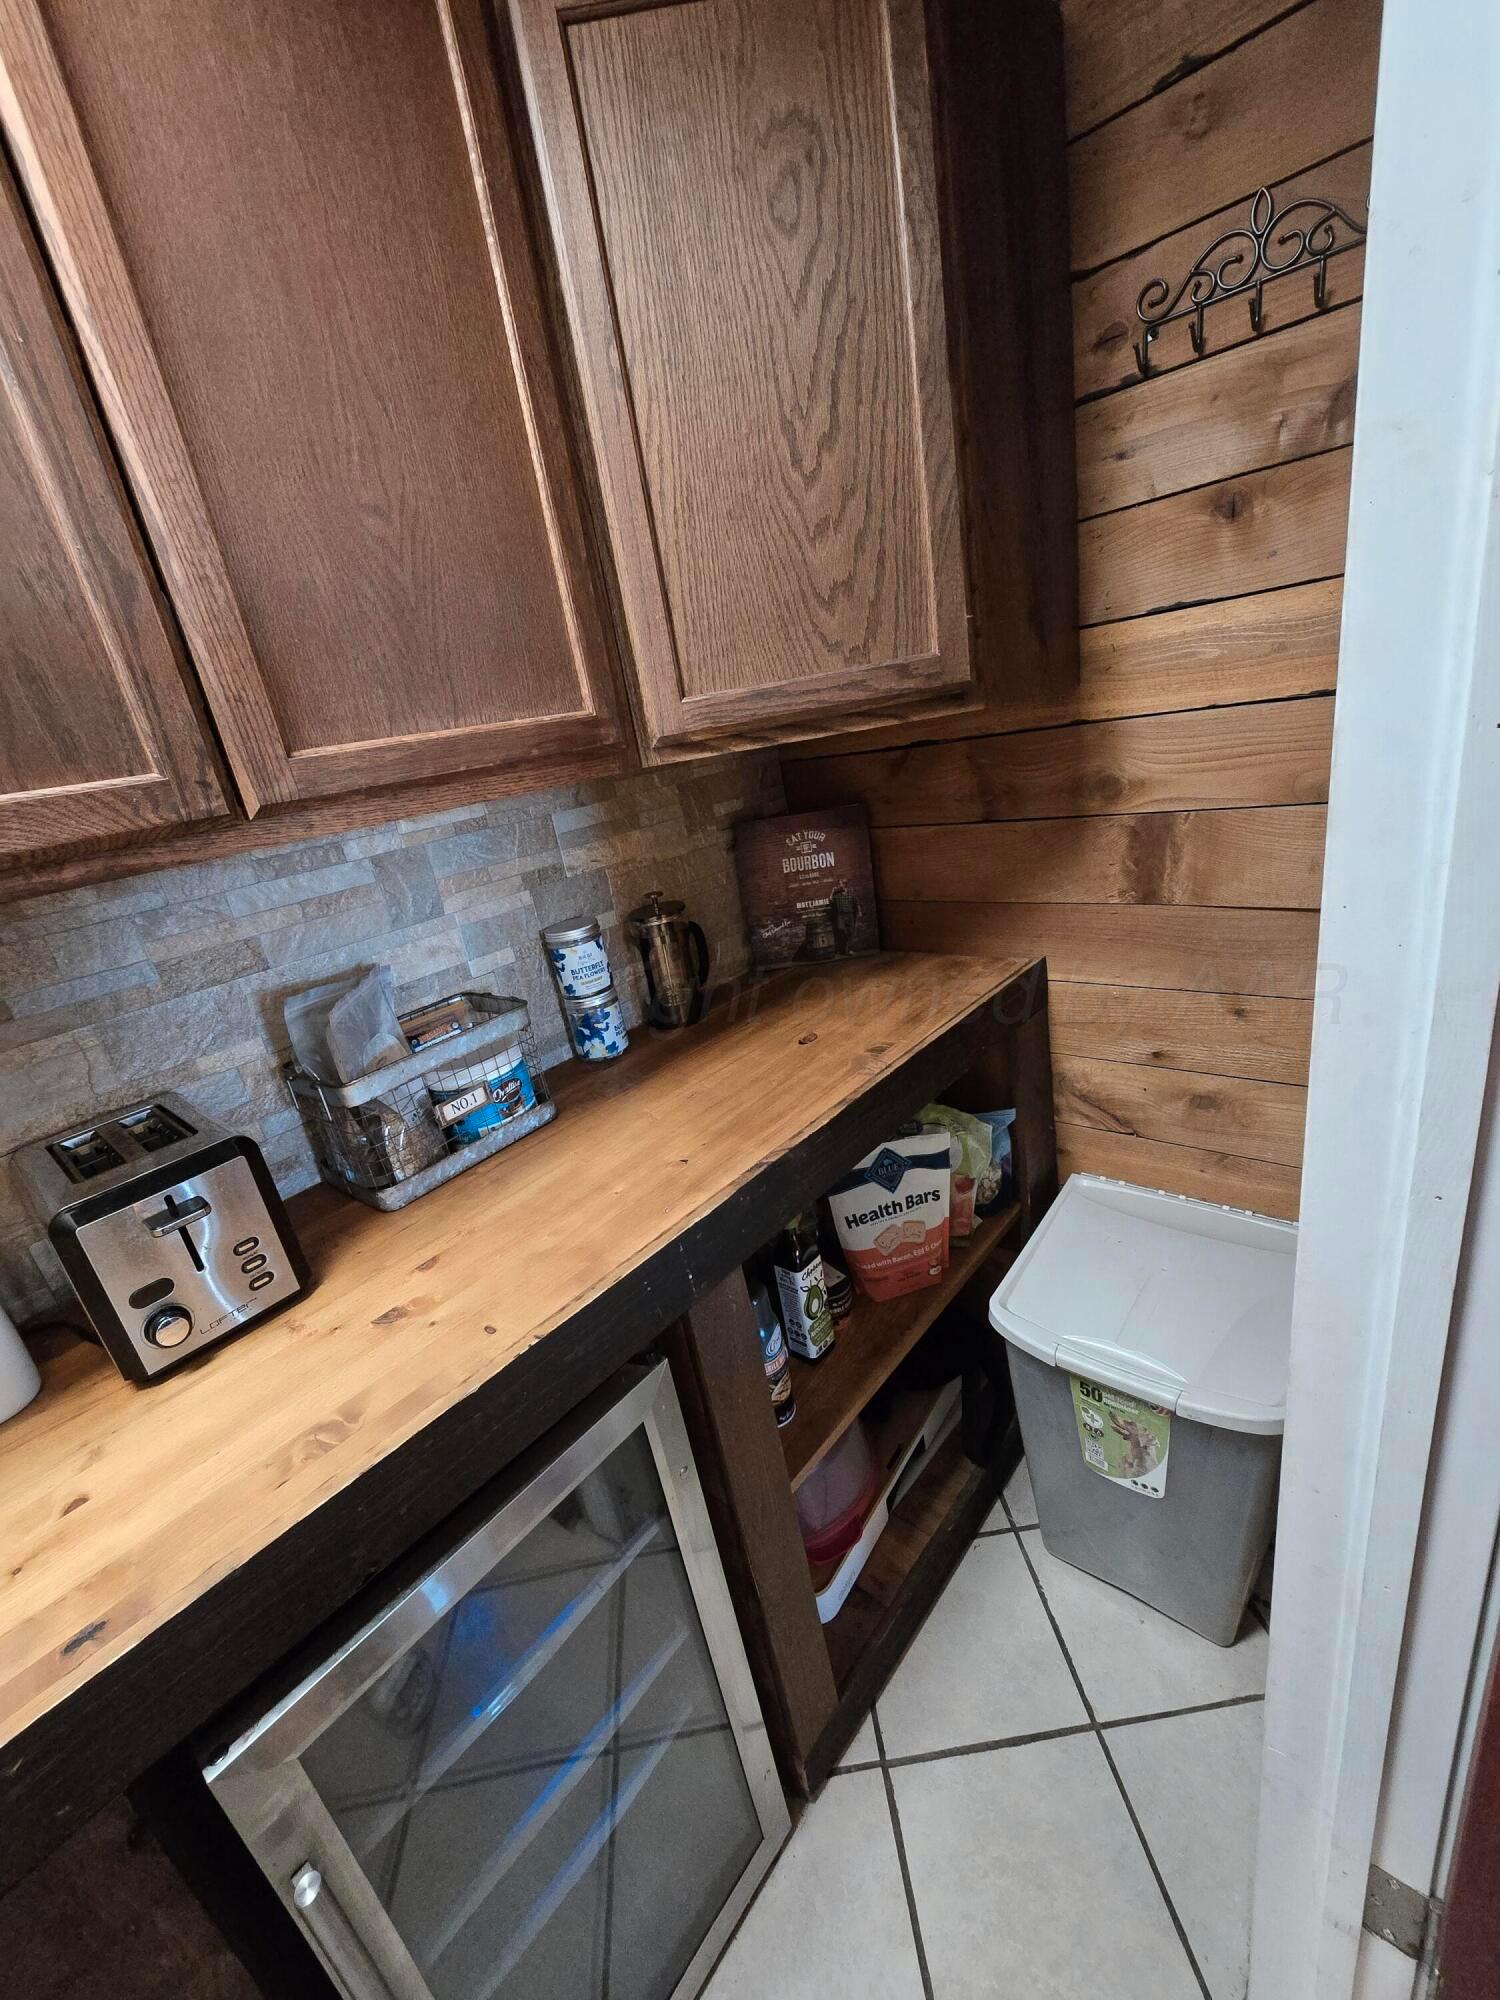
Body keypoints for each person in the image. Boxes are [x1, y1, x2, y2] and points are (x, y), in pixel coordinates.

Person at [829, 877, 861, 955]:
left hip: (849, 915)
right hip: (841, 916)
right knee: (842, 931)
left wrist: (859, 911)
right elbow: (830, 900)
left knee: (850, 932)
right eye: (839, 884)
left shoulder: (850, 894)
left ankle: (849, 950)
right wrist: (832, 891)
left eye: (840, 884)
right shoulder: (837, 895)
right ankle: (844, 949)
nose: (838, 886)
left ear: (844, 885)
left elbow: (856, 903)